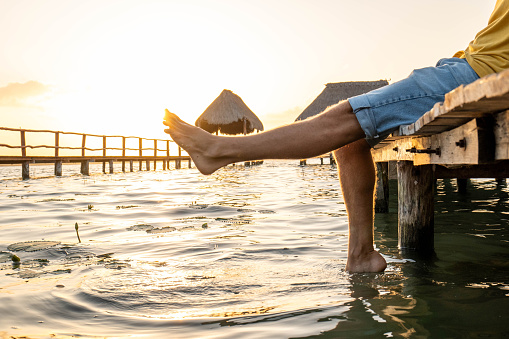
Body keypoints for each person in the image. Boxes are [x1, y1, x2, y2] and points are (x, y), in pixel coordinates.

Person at [164, 0, 509, 273]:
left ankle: (219, 149)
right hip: (464, 62)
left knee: (348, 116)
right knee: (348, 140)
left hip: (480, 73)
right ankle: (360, 256)